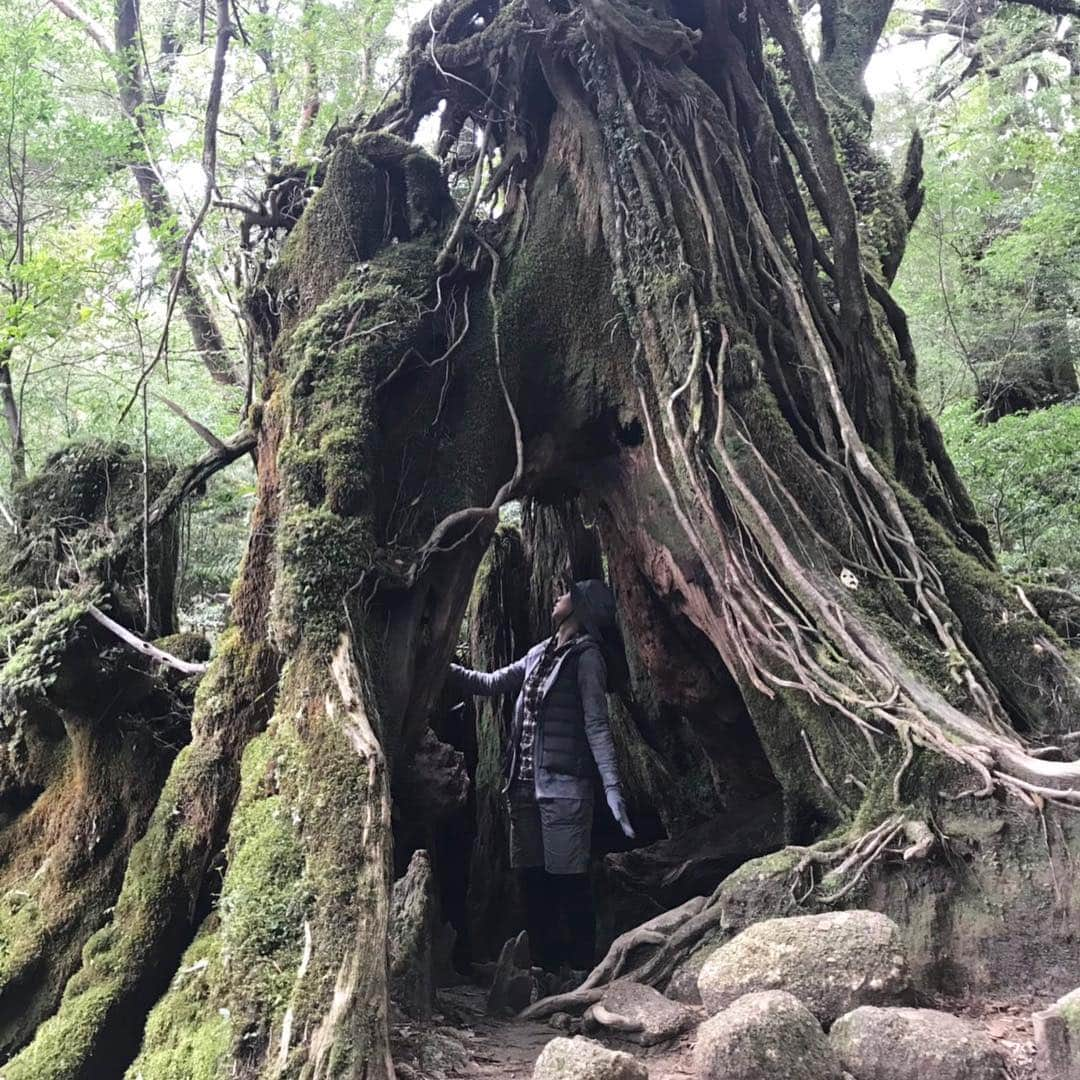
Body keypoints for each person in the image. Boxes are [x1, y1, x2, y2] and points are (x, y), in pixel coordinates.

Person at [447, 578, 635, 973]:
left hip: (564, 789)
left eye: (566, 594)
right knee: (532, 880)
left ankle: (581, 969)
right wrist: (441, 664)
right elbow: (491, 683)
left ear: (581, 607)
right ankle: (543, 968)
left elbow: (597, 726)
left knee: (568, 880)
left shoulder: (588, 659)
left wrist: (613, 789)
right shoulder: (538, 653)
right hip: (523, 786)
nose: (557, 596)